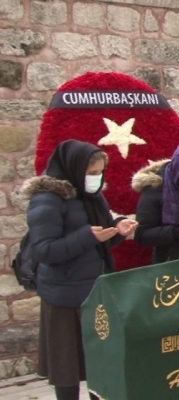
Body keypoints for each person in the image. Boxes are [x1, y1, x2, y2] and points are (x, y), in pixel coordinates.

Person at [22, 139, 138, 400]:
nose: (96, 178)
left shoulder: (92, 197)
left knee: (101, 361)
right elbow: (44, 251)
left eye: (100, 173)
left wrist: (118, 229)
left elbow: (100, 239)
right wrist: (87, 236)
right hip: (63, 296)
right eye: (91, 173)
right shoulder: (47, 200)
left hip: (95, 291)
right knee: (66, 366)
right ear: (74, 168)